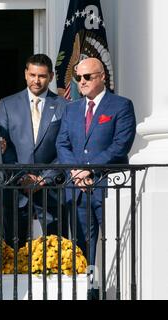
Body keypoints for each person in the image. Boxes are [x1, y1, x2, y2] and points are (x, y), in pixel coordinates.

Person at [56, 58, 136, 291]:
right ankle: (87, 290)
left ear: (102, 76)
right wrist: (75, 172)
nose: (82, 82)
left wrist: (88, 168)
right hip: (78, 189)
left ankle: (119, 291)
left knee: (117, 242)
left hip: (108, 187)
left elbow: (120, 145)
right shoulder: (71, 108)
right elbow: (63, 144)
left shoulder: (120, 105)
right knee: (82, 248)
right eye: (78, 77)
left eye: (87, 77)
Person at [0, 54, 69, 248]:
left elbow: (66, 147)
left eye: (42, 76)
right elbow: (2, 146)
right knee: (12, 248)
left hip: (51, 188)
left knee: (57, 247)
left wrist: (44, 178)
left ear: (51, 76)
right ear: (25, 74)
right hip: (16, 187)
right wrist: (22, 176)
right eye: (33, 75)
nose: (37, 80)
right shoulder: (7, 104)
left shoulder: (65, 106)